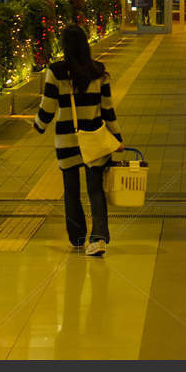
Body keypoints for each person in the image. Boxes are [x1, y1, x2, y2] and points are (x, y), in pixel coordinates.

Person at [32, 24, 121, 257]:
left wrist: (39, 125)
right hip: (95, 140)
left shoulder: (56, 72)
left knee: (71, 190)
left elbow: (48, 107)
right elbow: (108, 109)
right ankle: (99, 238)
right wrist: (117, 137)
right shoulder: (99, 72)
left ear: (65, 46)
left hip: (67, 140)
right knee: (96, 191)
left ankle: (78, 238)